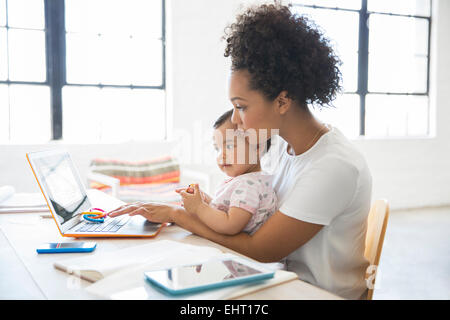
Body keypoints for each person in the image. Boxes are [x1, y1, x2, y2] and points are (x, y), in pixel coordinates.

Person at [109, 3, 372, 299]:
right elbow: (256, 217)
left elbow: (261, 249)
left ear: (283, 101)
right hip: (275, 281)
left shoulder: (333, 166)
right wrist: (207, 207)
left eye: (241, 106)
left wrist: (181, 215)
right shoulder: (282, 149)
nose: (235, 119)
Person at [177, 109, 278, 237]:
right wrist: (206, 201)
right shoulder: (249, 181)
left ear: (257, 147)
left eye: (229, 146)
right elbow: (227, 211)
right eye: (217, 148)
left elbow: (230, 225)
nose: (221, 155)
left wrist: (199, 208)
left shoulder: (249, 185)